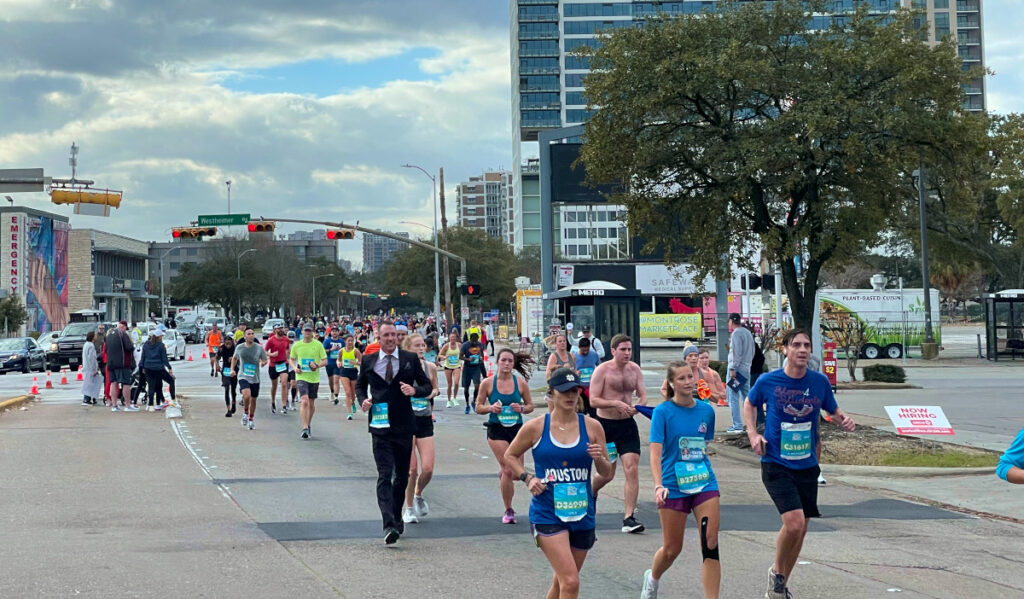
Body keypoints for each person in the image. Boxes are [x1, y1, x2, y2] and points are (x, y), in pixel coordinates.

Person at [744, 328, 856, 599]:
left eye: (807, 345)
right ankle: (777, 573)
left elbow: (832, 408)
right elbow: (749, 403)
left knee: (802, 528)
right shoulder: (770, 381)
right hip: (775, 462)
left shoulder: (818, 382)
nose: (803, 350)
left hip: (807, 464)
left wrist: (843, 418)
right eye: (797, 345)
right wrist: (752, 432)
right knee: (794, 524)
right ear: (785, 349)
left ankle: (780, 585)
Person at [504, 367, 612, 599]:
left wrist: (600, 458)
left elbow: (606, 473)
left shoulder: (592, 427)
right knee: (571, 581)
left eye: (575, 391)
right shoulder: (536, 427)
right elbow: (510, 456)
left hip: (582, 514)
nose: (571, 396)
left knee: (562, 581)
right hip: (547, 513)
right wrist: (527, 477)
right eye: (565, 391)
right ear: (552, 393)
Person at [641, 361, 721, 599]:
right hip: (673, 486)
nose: (687, 382)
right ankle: (652, 579)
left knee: (710, 542)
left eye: (690, 377)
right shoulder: (663, 413)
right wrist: (658, 486)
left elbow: (703, 445)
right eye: (682, 378)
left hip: (704, 483)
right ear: (672, 384)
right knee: (672, 549)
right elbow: (655, 454)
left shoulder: (706, 411)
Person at [356, 320, 433, 545]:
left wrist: (414, 390)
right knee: (384, 474)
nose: (390, 338)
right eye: (386, 335)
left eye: (393, 335)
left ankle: (397, 516)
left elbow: (426, 386)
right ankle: (388, 524)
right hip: (379, 426)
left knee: (401, 476)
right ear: (378, 338)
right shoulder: (369, 360)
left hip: (403, 425)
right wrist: (363, 401)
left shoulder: (409, 359)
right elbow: (360, 386)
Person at [589, 334, 648, 534]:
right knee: (607, 474)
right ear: (613, 351)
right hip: (606, 427)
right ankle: (592, 491)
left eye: (629, 349)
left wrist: (639, 407)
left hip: (627, 426)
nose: (627, 353)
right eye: (623, 349)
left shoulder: (635, 370)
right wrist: (615, 403)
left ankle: (629, 518)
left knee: (631, 468)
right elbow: (594, 401)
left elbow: (643, 395)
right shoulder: (602, 370)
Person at [475, 348, 536, 524]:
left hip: (517, 430)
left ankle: (504, 475)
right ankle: (509, 510)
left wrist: (522, 409)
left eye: (510, 361)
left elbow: (531, 405)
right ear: (498, 362)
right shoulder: (488, 383)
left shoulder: (520, 383)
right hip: (496, 430)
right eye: (504, 360)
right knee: (509, 468)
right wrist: (490, 408)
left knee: (516, 473)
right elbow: (478, 407)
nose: (507, 364)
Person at [402, 333, 440, 524]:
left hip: (424, 419)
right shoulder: (402, 368)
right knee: (412, 470)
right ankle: (408, 508)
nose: (421, 348)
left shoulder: (430, 367)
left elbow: (435, 389)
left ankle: (418, 493)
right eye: (416, 345)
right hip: (406, 421)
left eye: (422, 345)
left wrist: (428, 394)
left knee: (428, 469)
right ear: (408, 349)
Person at [290, 323, 328, 439]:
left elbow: (325, 361)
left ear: (312, 332)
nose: (307, 332)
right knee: (304, 401)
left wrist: (317, 365)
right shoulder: (297, 345)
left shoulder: (318, 345)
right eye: (305, 330)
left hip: (314, 377)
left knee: (311, 403)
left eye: (309, 331)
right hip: (301, 376)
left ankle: (308, 423)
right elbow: (292, 359)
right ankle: (305, 427)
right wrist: (295, 368)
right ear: (301, 332)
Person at [232, 328, 269, 430]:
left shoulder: (259, 348)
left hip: (255, 377)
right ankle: (245, 413)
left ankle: (251, 419)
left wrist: (263, 363)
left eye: (253, 334)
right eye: (249, 334)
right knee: (246, 395)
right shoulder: (239, 347)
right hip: (243, 375)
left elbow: (265, 359)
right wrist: (232, 369)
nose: (251, 335)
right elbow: (235, 358)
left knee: (253, 399)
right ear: (245, 336)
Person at [725, 313, 754, 433]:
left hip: (737, 370)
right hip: (746, 368)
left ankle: (737, 425)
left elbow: (736, 352)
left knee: (733, 396)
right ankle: (752, 423)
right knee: (747, 396)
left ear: (731, 321)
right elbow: (752, 351)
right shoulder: (747, 332)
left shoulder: (736, 333)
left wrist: (733, 368)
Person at [140, 327, 174, 411]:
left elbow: (143, 357)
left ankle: (151, 405)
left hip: (148, 368)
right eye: (162, 336)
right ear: (159, 337)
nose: (162, 338)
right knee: (171, 381)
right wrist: (169, 368)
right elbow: (164, 359)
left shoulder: (146, 344)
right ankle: (173, 400)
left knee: (151, 386)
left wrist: (143, 367)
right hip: (158, 368)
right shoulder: (161, 345)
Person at [105, 321, 136, 412]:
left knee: (114, 383)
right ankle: (127, 405)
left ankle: (114, 405)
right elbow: (129, 347)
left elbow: (106, 349)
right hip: (122, 363)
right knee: (126, 383)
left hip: (110, 363)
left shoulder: (109, 335)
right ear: (124, 327)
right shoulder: (123, 334)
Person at [264, 324, 292, 415]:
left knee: (284, 383)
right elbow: (264, 351)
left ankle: (284, 405)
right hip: (273, 364)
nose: (281, 330)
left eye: (282, 328)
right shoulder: (271, 340)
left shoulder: (286, 339)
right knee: (274, 385)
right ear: (275, 330)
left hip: (283, 363)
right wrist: (271, 355)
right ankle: (273, 401)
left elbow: (288, 348)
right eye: (279, 328)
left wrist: (288, 353)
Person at [574, 337, 601, 416]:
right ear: (579, 347)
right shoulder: (574, 357)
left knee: (594, 412)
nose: (585, 352)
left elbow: (600, 367)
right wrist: (575, 372)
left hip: (592, 388)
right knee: (580, 412)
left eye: (587, 350)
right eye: (583, 350)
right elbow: (570, 371)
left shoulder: (594, 354)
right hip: (580, 388)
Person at [460, 332, 486, 415]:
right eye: (473, 341)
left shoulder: (480, 344)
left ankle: (474, 401)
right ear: (470, 339)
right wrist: (468, 359)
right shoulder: (465, 345)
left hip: (476, 368)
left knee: (477, 386)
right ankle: (467, 404)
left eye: (476, 341)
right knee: (466, 388)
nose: (475, 343)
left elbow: (482, 354)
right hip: (467, 368)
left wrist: (481, 359)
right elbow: (460, 356)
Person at [339, 335, 362, 421]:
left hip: (353, 372)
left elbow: (361, 362)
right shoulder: (341, 351)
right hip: (344, 372)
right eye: (348, 340)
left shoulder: (356, 351)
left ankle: (352, 403)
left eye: (351, 341)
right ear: (345, 341)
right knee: (348, 392)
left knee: (353, 393)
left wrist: (355, 362)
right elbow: (338, 359)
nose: (350, 342)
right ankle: (349, 413)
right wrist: (339, 363)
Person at [438, 332, 462, 408]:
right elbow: (439, 354)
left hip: (457, 366)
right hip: (448, 366)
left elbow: (463, 353)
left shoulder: (459, 345)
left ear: (456, 338)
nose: (452, 339)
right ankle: (448, 400)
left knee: (456, 383)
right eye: (451, 337)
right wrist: (444, 357)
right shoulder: (446, 346)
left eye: (454, 337)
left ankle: (454, 398)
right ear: (449, 338)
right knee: (449, 384)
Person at [323, 327, 345, 406]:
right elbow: (323, 350)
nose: (334, 333)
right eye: (333, 331)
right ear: (331, 333)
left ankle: (336, 397)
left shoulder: (341, 341)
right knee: (331, 380)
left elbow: (346, 350)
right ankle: (332, 392)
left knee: (336, 379)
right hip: (329, 363)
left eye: (336, 331)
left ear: (338, 333)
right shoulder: (327, 341)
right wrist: (331, 349)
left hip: (337, 363)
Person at [218, 335, 238, 417]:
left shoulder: (236, 348)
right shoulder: (221, 348)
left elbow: (240, 357)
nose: (228, 345)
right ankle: (228, 409)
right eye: (226, 343)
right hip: (225, 370)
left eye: (229, 343)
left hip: (234, 370)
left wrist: (234, 358)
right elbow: (217, 357)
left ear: (232, 342)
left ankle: (234, 402)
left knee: (233, 389)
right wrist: (217, 365)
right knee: (226, 388)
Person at [81, 331, 102, 406]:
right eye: (95, 335)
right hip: (90, 368)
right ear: (92, 337)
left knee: (87, 383)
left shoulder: (86, 344)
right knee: (90, 384)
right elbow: (92, 358)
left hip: (86, 366)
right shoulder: (91, 346)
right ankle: (87, 399)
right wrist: (95, 369)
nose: (96, 336)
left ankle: (87, 398)